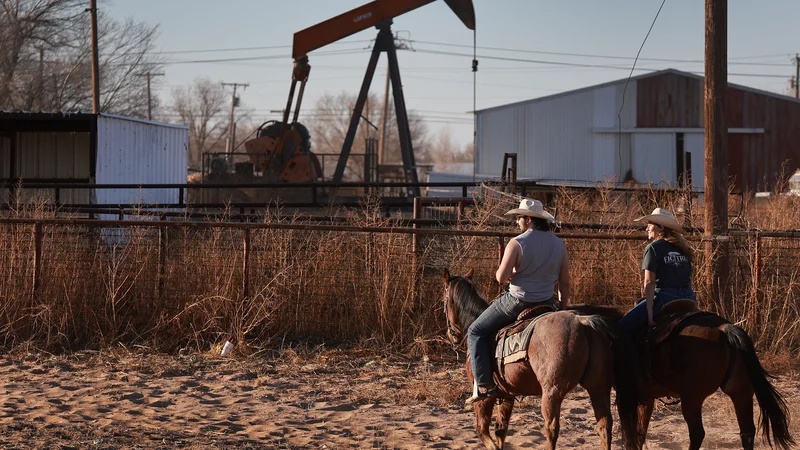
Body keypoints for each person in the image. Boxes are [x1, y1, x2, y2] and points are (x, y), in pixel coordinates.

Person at [466, 198, 570, 403]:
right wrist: (562, 306)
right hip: (546, 302)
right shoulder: (559, 244)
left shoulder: (517, 242)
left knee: (475, 331)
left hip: (518, 301)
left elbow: (500, 278)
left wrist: (513, 271)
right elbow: (565, 282)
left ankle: (484, 385)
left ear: (529, 220)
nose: (517, 222)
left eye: (519, 218)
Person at [619, 207, 696, 332]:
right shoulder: (684, 248)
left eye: (649, 224)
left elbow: (649, 282)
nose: (647, 228)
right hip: (689, 297)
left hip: (664, 298)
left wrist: (649, 313)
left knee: (622, 327)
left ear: (660, 227)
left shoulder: (653, 248)